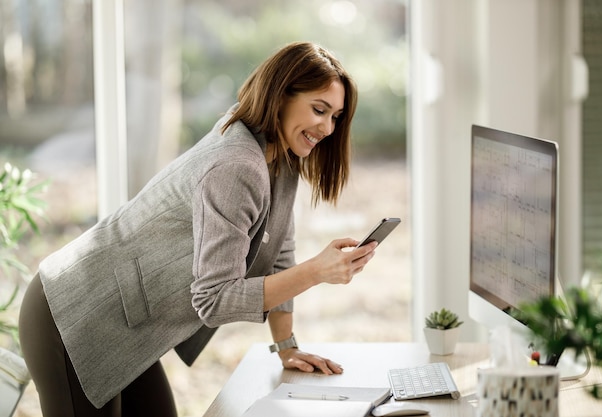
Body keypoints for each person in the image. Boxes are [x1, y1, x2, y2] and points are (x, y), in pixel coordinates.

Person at [18, 41, 377, 417]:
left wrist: (286, 347)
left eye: (335, 116)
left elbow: (280, 257)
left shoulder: (280, 160)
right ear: (280, 96)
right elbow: (214, 299)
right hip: (74, 312)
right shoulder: (236, 165)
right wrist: (317, 272)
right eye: (319, 110)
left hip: (127, 323)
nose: (327, 127)